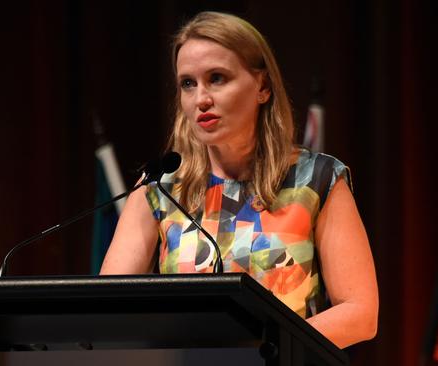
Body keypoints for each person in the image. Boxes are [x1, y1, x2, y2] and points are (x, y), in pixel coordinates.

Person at [100, 11, 378, 349]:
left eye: (217, 78)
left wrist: (260, 349)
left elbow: (360, 314)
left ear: (262, 86)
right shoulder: (159, 189)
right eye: (188, 83)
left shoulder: (315, 180)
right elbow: (108, 313)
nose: (201, 98)